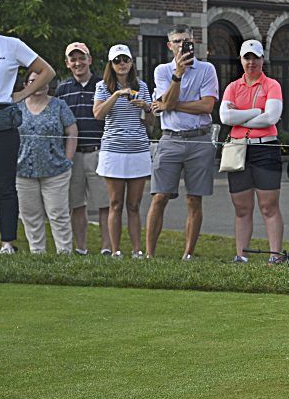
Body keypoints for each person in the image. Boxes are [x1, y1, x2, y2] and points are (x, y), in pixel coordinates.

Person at [0, 0, 56, 255]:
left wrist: (22, 94)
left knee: (4, 187)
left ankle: (7, 243)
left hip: (2, 121)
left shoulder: (11, 46)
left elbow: (46, 71)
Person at [145, 25, 219, 260]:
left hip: (199, 138)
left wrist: (170, 105)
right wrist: (178, 74)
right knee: (159, 196)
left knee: (194, 198)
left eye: (185, 41)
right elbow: (167, 99)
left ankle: (188, 254)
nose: (181, 45)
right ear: (170, 45)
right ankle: (149, 254)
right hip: (171, 139)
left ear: (193, 42)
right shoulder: (162, 71)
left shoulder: (207, 69)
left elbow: (207, 106)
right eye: (176, 41)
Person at [219, 39, 285, 264]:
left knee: (269, 206)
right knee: (241, 207)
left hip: (265, 147)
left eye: (255, 57)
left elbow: (271, 117)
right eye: (247, 57)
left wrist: (243, 114)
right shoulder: (232, 87)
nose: (251, 62)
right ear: (241, 60)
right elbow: (225, 118)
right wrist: (257, 111)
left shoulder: (272, 85)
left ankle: (275, 256)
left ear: (262, 59)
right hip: (238, 149)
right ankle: (241, 255)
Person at [93, 44, 153, 258]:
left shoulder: (142, 86)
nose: (122, 64)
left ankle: (137, 251)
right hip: (113, 149)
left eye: (125, 60)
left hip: (137, 148)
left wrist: (146, 107)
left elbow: (152, 121)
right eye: (117, 61)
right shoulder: (103, 86)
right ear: (111, 64)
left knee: (134, 205)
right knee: (115, 203)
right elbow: (98, 114)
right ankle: (116, 251)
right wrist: (117, 94)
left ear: (131, 62)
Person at [56, 42, 110, 255]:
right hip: (73, 155)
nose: (78, 63)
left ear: (90, 59)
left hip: (99, 151)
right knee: (76, 204)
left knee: (105, 204)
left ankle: (107, 248)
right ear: (67, 63)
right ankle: (81, 248)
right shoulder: (62, 90)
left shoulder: (104, 85)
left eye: (82, 58)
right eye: (73, 59)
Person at [16, 70, 77, 254]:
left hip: (56, 171)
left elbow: (72, 132)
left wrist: (67, 159)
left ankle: (64, 254)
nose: (38, 85)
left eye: (43, 81)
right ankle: (37, 254)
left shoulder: (59, 105)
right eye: (34, 81)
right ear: (26, 84)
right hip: (23, 171)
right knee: (30, 216)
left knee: (59, 214)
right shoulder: (16, 106)